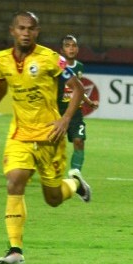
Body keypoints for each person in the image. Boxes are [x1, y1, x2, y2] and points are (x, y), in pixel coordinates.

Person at [0, 11, 92, 264]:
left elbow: (77, 89)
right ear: (12, 31)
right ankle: (15, 250)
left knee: (52, 198)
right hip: (20, 134)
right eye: (21, 28)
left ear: (37, 32)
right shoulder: (1, 60)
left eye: (30, 29)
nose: (25, 32)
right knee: (14, 181)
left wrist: (65, 120)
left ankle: (76, 183)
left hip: (49, 136)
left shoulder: (52, 59)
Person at [58, 35, 99, 172]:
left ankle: (76, 175)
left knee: (79, 141)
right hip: (57, 112)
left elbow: (78, 90)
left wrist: (89, 102)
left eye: (73, 45)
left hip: (75, 112)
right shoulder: (57, 65)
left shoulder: (80, 67)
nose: (71, 48)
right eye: (67, 45)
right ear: (62, 50)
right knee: (52, 145)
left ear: (78, 49)